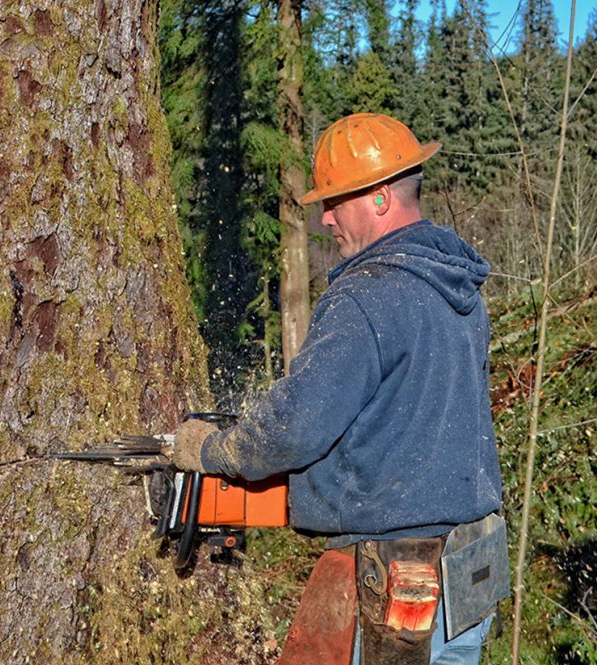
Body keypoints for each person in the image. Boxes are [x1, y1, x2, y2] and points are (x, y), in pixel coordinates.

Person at [173, 113, 507, 665]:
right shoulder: (457, 287)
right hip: (473, 563)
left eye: (336, 201)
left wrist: (215, 450)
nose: (325, 218)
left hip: (398, 577)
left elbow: (296, 427)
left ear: (379, 198)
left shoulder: (366, 296)